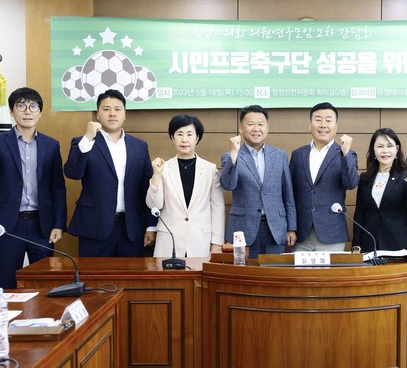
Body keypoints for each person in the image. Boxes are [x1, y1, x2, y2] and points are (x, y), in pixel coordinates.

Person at [0, 87, 66, 288]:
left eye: (33, 106)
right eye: (21, 106)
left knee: (44, 282)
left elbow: (58, 188)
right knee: (6, 281)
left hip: (41, 225)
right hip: (9, 224)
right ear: (11, 111)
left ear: (40, 113)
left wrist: (58, 224)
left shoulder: (51, 145)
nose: (27, 111)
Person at [64, 89, 156, 257]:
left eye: (117, 109)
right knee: (93, 274)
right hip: (94, 227)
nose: (112, 113)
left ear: (125, 114)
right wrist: (87, 138)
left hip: (131, 228)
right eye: (106, 109)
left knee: (131, 273)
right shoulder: (83, 142)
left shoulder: (139, 146)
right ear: (98, 114)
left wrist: (151, 225)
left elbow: (147, 188)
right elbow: (72, 172)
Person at [220, 105, 297, 258]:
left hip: (276, 228)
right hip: (243, 229)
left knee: (275, 271)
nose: (256, 129)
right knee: (246, 271)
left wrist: (291, 228)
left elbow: (288, 194)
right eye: (250, 124)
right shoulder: (230, 156)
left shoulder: (279, 155)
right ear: (241, 128)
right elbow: (228, 185)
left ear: (267, 128)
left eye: (260, 124)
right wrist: (234, 154)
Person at [147, 114, 225, 257]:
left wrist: (216, 244)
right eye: (179, 134)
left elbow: (217, 208)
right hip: (169, 242)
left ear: (197, 138)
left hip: (200, 241)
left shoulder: (210, 169)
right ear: (172, 138)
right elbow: (154, 205)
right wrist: (156, 175)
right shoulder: (163, 168)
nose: (184, 139)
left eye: (189, 134)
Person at [290, 102, 358, 252]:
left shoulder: (346, 153)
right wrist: (290, 227)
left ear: (336, 126)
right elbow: (290, 194)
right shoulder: (298, 154)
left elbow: (351, 183)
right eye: (318, 120)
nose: (323, 125)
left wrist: (345, 154)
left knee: (330, 269)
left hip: (332, 233)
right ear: (310, 125)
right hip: (301, 234)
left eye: (328, 120)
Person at [352, 128, 407, 254]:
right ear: (373, 149)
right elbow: (359, 214)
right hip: (369, 244)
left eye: (389, 146)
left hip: (396, 243)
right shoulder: (365, 178)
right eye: (380, 146)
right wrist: (356, 243)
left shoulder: (405, 176)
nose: (385, 151)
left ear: (397, 149)